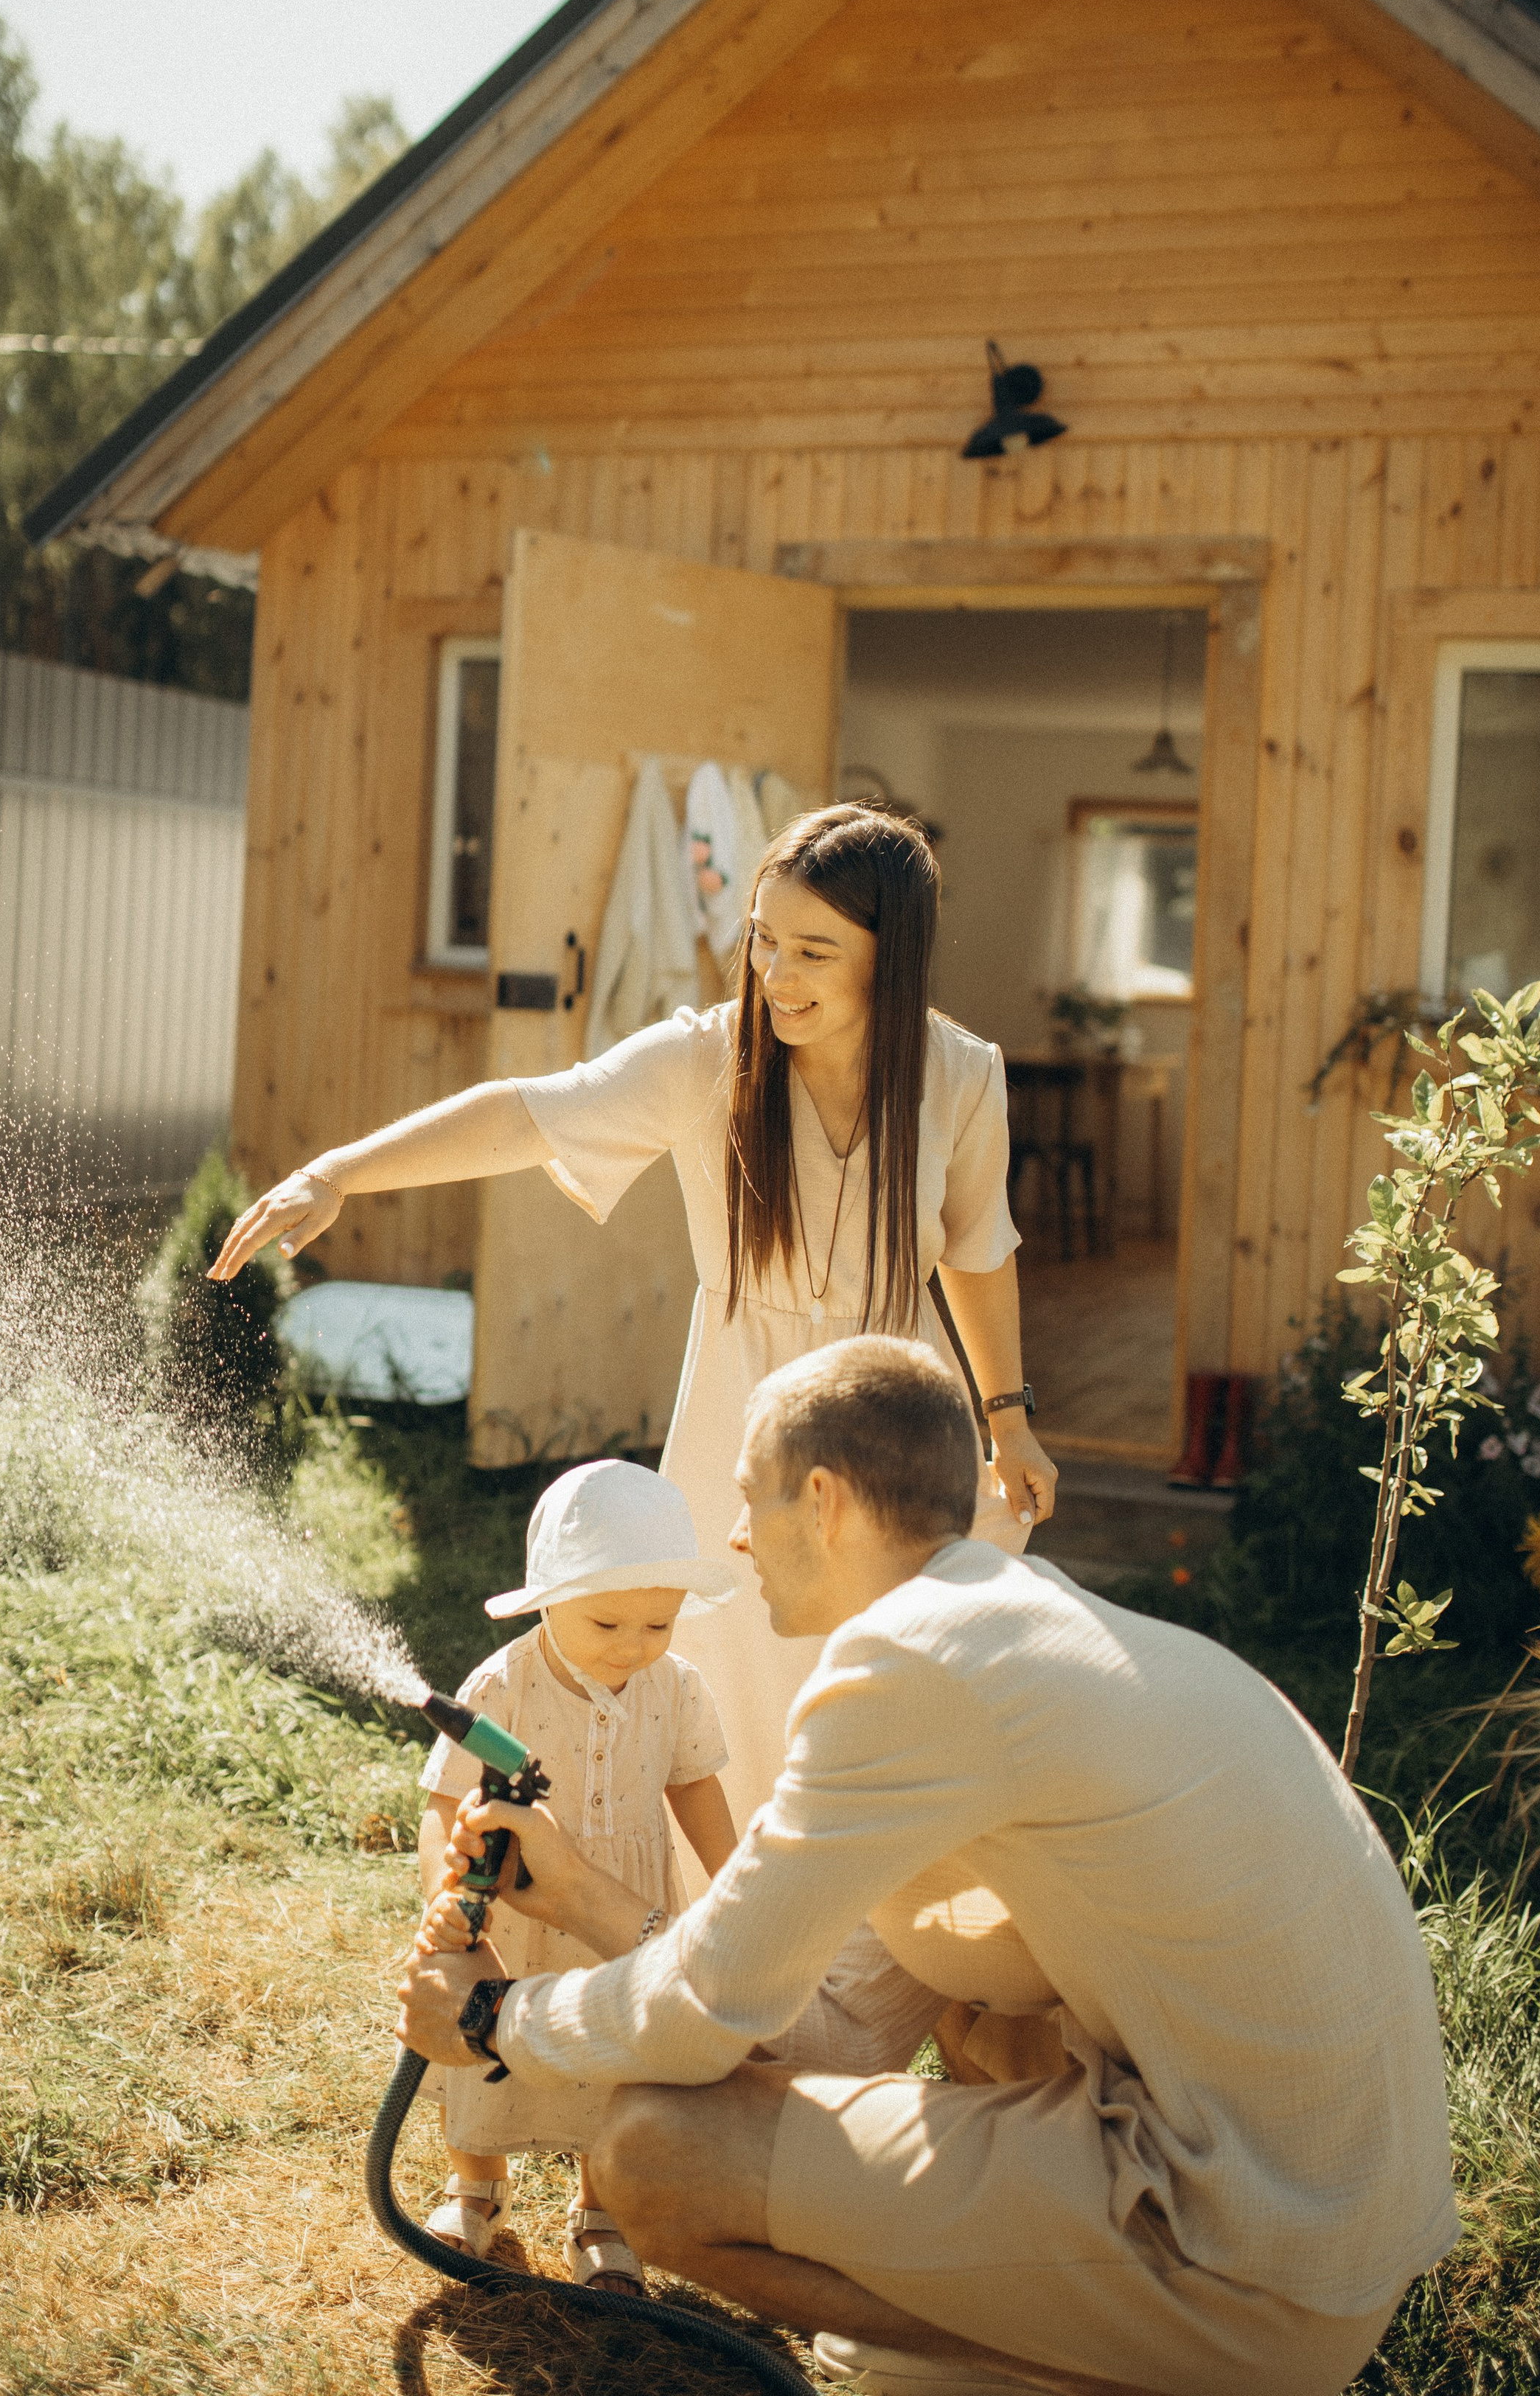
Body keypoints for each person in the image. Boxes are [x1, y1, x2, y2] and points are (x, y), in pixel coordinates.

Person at [397, 1338, 1460, 2396]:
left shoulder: (906, 1663)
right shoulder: (1031, 1630)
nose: (732, 1535)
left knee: (653, 2153)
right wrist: (579, 1888)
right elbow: (830, 2028)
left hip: (1241, 2258)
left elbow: (715, 2011)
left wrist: (498, 2019)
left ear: (822, 1502)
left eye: (746, 1498)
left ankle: (1097, 2369)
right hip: (1336, 2241)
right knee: (966, 1997)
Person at [211, 802, 1058, 1833]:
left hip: (899, 1418)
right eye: (763, 938)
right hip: (749, 1422)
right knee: (736, 1695)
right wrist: (341, 1173)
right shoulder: (707, 1057)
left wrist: (1007, 1420)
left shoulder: (961, 1073)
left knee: (909, 1689)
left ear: (894, 955)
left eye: (814, 952)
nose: (777, 975)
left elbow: (978, 1253)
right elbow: (529, 1111)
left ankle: (892, 1951)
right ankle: (727, 1939)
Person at [411, 1458, 737, 2294]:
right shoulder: (501, 1686)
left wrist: (735, 1881)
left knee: (620, 2059)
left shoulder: (676, 1687)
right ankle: (475, 2187)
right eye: (605, 1624)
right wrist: (451, 1908)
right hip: (510, 1914)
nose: (633, 1648)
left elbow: (695, 1788)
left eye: (657, 1627)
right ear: (546, 1599)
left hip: (620, 1908)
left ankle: (602, 2213)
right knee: (479, 2046)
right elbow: (445, 1802)